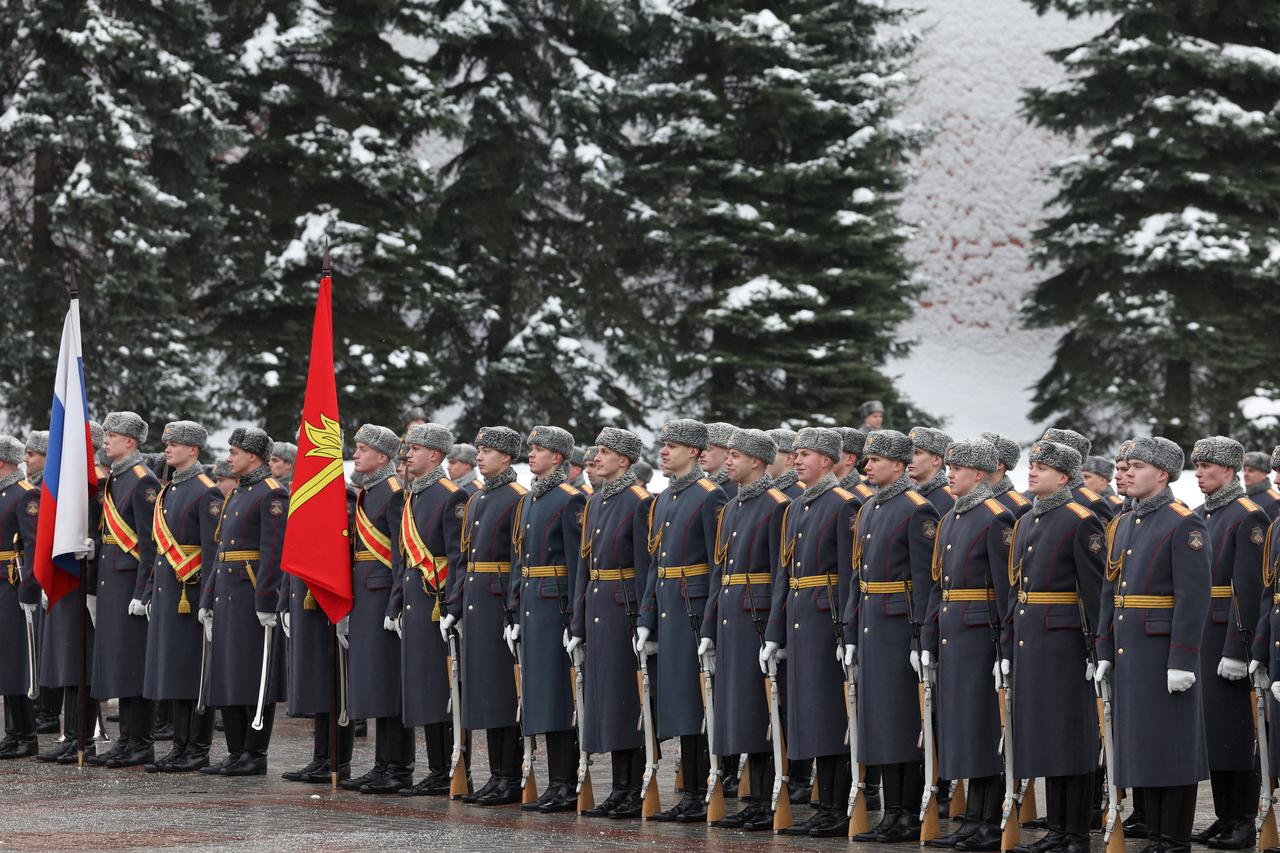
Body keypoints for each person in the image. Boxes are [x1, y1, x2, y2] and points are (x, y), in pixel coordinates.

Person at [1097, 436, 1210, 853]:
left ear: (1162, 475)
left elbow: (1193, 596)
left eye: (1135, 466)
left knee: (1171, 744)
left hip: (1163, 651)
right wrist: (1104, 649)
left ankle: (1172, 838)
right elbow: (1111, 591)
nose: (1123, 472)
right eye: (1122, 465)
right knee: (1145, 741)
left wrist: (1182, 658)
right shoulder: (1125, 520)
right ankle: (1156, 833)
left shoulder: (1183, 522)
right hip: (1131, 649)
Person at [1005, 440, 1105, 853]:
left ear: (1063, 477)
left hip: (1066, 642)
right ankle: (1058, 829)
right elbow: (1018, 588)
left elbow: (1096, 591)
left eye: (1042, 468)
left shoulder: (1080, 520)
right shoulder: (1028, 519)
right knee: (1047, 735)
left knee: (1071, 737)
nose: (1032, 473)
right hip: (1034, 640)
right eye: (1032, 466)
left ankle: (1076, 833)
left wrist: (1098, 649)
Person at [763, 427, 863, 837]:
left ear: (827, 461)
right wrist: (775, 630)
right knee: (808, 710)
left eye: (806, 454)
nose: (796, 460)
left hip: (827, 619)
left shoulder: (844, 504)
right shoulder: (797, 507)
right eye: (796, 454)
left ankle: (838, 807)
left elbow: (849, 575)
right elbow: (785, 574)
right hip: (800, 616)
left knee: (831, 712)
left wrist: (847, 631)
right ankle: (824, 805)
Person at [842, 428, 940, 842]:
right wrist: (849, 629)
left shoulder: (917, 509)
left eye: (875, 460)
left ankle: (906, 812)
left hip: (900, 625)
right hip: (871, 622)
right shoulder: (869, 508)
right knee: (879, 719)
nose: (867, 467)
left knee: (902, 721)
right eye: (867, 460)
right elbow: (857, 576)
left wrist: (921, 638)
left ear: (898, 465)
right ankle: (891, 813)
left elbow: (925, 580)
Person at [921, 438, 1015, 851]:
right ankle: (971, 819)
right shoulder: (952, 517)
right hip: (953, 632)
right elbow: (937, 585)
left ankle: (988, 822)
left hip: (982, 634)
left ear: (979, 474)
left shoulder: (996, 518)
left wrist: (1004, 647)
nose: (950, 474)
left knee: (982, 727)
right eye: (951, 467)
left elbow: (1005, 588)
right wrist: (928, 636)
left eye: (958, 468)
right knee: (961, 725)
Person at [639, 419, 728, 822]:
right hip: (667, 607)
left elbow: (717, 565)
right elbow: (655, 565)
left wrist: (709, 624)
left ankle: (702, 790)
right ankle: (689, 790)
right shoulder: (662, 498)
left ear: (694, 451)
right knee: (677, 698)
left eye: (673, 445)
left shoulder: (710, 496)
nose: (664, 451)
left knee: (697, 701)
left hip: (693, 610)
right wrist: (646, 616)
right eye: (663, 444)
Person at [703, 428, 789, 831]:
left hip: (756, 616)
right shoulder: (734, 506)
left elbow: (781, 575)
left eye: (736, 455)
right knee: (738, 709)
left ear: (757, 461)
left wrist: (774, 631)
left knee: (761, 711)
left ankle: (766, 798)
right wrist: (709, 626)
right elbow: (721, 571)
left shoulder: (776, 506)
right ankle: (751, 799)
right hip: (731, 616)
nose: (728, 460)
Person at [569, 427, 653, 819]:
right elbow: (585, 566)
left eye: (604, 452)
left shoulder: (638, 501)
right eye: (596, 451)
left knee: (626, 699)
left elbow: (643, 566)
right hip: (599, 605)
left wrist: (642, 619)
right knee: (607, 698)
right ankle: (619, 787)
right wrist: (578, 620)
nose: (596, 458)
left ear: (624, 460)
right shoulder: (598, 500)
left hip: (623, 607)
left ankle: (633, 788)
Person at [1187, 436, 1267, 848]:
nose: (1199, 473)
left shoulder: (1246, 516)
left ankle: (1242, 820)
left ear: (1230, 471)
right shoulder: (1203, 513)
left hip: (1227, 633)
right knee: (1214, 732)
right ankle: (1223, 815)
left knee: (1236, 733)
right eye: (1197, 466)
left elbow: (1249, 589)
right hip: (1203, 631)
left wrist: (1239, 648)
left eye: (1207, 467)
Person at [442, 426, 527, 806]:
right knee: (485, 691)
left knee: (504, 692)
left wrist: (512, 608)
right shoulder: (477, 498)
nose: (479, 455)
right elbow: (463, 559)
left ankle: (509, 775)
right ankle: (496, 775)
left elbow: (518, 559)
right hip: (476, 600)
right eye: (478, 449)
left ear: (507, 458)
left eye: (488, 450)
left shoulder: (517, 498)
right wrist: (455, 604)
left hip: (497, 601)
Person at [197, 427, 288, 776]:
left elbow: (272, 552)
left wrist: (267, 601)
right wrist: (207, 598)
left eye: (234, 452)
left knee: (254, 676)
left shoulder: (271, 493)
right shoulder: (238, 492)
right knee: (228, 674)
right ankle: (236, 751)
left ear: (253, 456)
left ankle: (254, 753)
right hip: (226, 593)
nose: (229, 458)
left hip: (251, 595)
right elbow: (220, 550)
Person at [507, 425, 586, 813]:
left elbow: (576, 565)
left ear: (557, 458)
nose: (531, 455)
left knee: (558, 696)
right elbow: (520, 560)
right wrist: (513, 606)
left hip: (556, 606)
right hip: (532, 604)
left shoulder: (570, 500)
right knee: (539, 694)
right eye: (531, 449)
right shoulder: (530, 500)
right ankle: (554, 783)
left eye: (539, 450)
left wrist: (575, 618)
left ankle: (565, 783)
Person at [388, 422, 467, 796]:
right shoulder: (413, 495)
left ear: (434, 454)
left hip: (437, 603)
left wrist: (451, 605)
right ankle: (435, 767)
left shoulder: (450, 496)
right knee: (423, 685)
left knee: (442, 687)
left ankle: (448, 767)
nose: (407, 455)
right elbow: (403, 558)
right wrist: (397, 604)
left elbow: (457, 556)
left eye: (414, 449)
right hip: (417, 602)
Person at [141, 421, 222, 772]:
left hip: (190, 590)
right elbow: (159, 547)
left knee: (194, 671)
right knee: (175, 670)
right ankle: (179, 744)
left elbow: (211, 549)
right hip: (169, 588)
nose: (168, 449)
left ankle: (197, 747)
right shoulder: (171, 489)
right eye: (166, 443)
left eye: (175, 443)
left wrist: (207, 599)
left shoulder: (207, 491)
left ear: (194, 449)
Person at [339, 425, 411, 795]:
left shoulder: (393, 493)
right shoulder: (369, 492)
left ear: (382, 457)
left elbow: (401, 556)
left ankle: (398, 766)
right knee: (376, 681)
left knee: (390, 684)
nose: (357, 454)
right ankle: (382, 764)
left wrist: (396, 602)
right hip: (366, 596)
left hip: (383, 596)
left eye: (363, 449)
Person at [89, 412, 161, 768]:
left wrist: (143, 591)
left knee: (134, 663)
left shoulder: (141, 480)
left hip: (130, 578)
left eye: (112, 435)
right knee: (121, 661)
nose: (106, 440)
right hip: (111, 577)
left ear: (131, 441)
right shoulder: (117, 477)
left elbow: (150, 544)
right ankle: (127, 739)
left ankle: (141, 742)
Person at [37, 423, 106, 764]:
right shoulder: (65, 485)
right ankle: (70, 737)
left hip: (85, 582)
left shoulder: (96, 486)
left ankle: (83, 739)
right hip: (66, 579)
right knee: (67, 662)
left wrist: (91, 584)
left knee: (82, 664)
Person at [0, 435, 40, 759]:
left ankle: (27, 734)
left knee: (16, 659)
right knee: (4, 659)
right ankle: (12, 732)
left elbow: (32, 545)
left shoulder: (25, 495)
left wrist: (30, 589)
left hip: (14, 583)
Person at [1039, 428, 1114, 522]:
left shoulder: (1091, 503)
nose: (1042, 459)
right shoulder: (1033, 496)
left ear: (1070, 459)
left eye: (1051, 454)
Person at [981, 432, 1031, 518]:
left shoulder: (1019, 507)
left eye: (981, 457)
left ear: (999, 464)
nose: (973, 462)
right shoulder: (965, 495)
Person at [909, 426, 955, 516]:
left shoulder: (946, 499)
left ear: (936, 460)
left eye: (917, 453)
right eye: (909, 453)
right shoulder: (910, 494)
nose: (909, 459)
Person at [702, 422, 738, 499]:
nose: (701, 454)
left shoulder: (736, 490)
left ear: (728, 452)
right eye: (701, 449)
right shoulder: (702, 486)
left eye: (708, 449)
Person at [767, 428, 805, 500]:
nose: (762, 459)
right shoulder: (760, 491)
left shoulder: (803, 493)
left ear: (789, 459)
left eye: (769, 453)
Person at [1242, 451, 1280, 521]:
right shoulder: (1245, 496)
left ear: (1264, 473)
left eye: (1251, 471)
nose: (1245, 474)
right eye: (1244, 470)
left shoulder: (1274, 501)